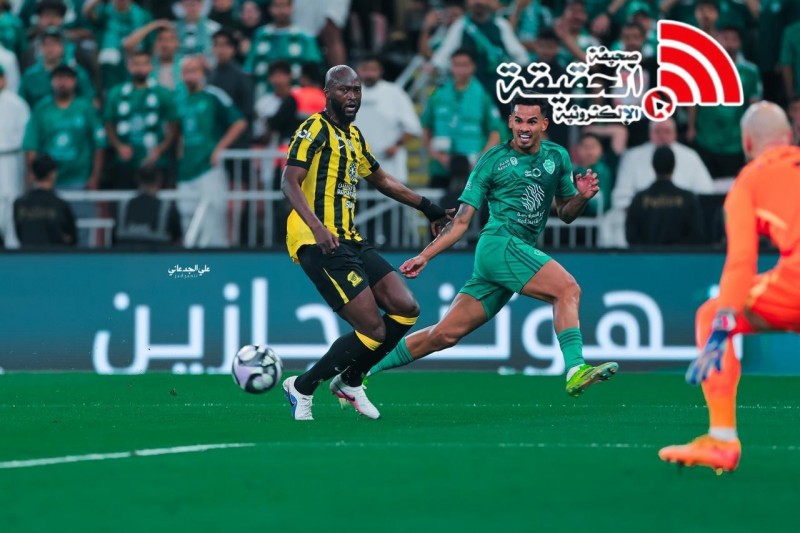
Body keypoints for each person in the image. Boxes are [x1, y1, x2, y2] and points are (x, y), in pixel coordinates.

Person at [368, 96, 619, 398]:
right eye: (518, 120)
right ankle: (576, 368)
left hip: (513, 253)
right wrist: (425, 255)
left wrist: (581, 197)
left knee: (444, 334)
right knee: (567, 289)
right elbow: (461, 221)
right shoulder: (493, 160)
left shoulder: (557, 157)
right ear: (510, 122)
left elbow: (566, 213)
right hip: (499, 245)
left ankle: (361, 370)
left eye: (531, 121)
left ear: (544, 124)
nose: (524, 128)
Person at [280, 65, 450, 421]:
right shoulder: (314, 128)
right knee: (372, 330)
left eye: (356, 90)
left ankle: (351, 379)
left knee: (406, 308)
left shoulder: (354, 137)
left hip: (350, 239)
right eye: (344, 89)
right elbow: (289, 182)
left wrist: (428, 207)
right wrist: (317, 228)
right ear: (328, 93)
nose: (352, 96)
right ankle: (302, 386)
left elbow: (384, 181)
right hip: (318, 241)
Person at [659, 102, 800, 473]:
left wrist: (724, 322)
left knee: (710, 313)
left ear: (746, 142)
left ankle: (722, 440)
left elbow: (741, 261)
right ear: (789, 136)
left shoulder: (748, 182)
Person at [175, 55, 247, 247]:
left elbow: (239, 122)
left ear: (202, 73)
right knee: (187, 222)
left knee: (213, 221)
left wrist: (219, 149)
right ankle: (189, 263)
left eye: (194, 71)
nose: (190, 76)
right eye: (186, 72)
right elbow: (177, 130)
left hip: (209, 168)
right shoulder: (179, 99)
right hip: (185, 170)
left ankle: (216, 262)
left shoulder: (213, 95)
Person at [103, 50, 179, 190]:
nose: (140, 68)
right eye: (136, 64)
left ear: (151, 66)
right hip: (126, 160)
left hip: (155, 160)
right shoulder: (116, 93)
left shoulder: (163, 93)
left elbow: (173, 125)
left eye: (144, 64)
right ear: (129, 67)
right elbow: (109, 123)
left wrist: (160, 149)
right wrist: (119, 146)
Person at [625, 145, 705, 246]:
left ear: (653, 165)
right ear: (674, 165)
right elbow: (697, 235)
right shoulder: (688, 199)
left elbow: (631, 236)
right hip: (679, 255)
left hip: (648, 255)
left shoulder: (639, 199)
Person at [14, 153, 76, 247]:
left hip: (27, 254)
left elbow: (19, 234)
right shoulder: (60, 205)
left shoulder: (19, 204)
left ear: (33, 175)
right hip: (55, 254)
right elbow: (72, 238)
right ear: (52, 174)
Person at [113, 166, 182, 247]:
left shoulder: (121, 207)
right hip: (159, 254)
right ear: (159, 180)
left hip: (124, 254)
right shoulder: (169, 209)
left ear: (137, 179)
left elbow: (113, 240)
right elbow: (178, 241)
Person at [0, 63, 30, 248]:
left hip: (10, 158)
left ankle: (13, 245)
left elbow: (25, 138)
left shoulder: (16, 103)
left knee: (11, 200)